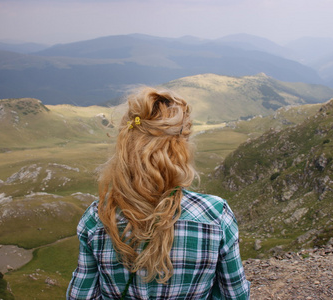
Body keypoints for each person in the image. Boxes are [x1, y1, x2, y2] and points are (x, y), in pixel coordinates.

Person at [67, 87, 250, 299]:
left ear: (126, 144)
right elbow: (235, 296)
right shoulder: (216, 215)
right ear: (181, 148)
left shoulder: (98, 217)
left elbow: (81, 296)